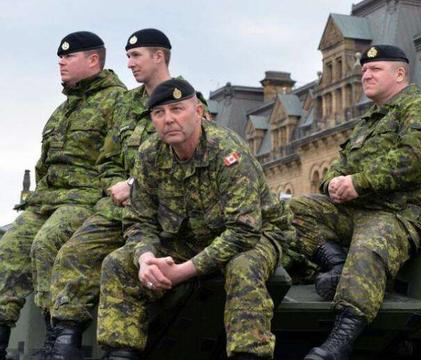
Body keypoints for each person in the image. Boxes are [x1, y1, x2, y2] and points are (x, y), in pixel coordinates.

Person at [95, 79, 294, 360]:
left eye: (177, 109)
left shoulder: (226, 151)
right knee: (117, 262)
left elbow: (243, 231)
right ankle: (120, 354)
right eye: (159, 113)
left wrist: (183, 271)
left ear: (198, 111)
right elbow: (139, 221)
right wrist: (146, 260)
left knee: (243, 267)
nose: (169, 119)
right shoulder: (150, 154)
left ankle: (249, 353)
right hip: (187, 238)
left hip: (257, 234)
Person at [46, 29, 211, 359]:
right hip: (119, 205)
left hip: (166, 208)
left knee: (118, 266)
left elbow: (196, 158)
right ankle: (63, 344)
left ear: (159, 57)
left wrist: (135, 185)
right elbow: (107, 158)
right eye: (127, 56)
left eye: (136, 56)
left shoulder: (187, 101)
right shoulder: (126, 104)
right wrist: (116, 186)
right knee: (73, 252)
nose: (129, 63)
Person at [288, 45, 421, 360]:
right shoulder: (369, 121)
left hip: (402, 214)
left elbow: (414, 160)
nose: (366, 75)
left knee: (370, 244)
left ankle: (341, 339)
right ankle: (336, 266)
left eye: (375, 69)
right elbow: (341, 164)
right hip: (358, 211)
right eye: (364, 70)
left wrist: (358, 183)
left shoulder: (420, 110)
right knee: (295, 211)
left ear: (400, 74)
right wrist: (332, 183)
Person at [0, 31, 125, 359]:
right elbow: (45, 165)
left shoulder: (118, 102)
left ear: (93, 60)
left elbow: (121, 158)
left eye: (69, 56)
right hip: (48, 198)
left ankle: (57, 339)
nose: (61, 61)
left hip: (85, 198)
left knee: (47, 243)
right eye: (60, 57)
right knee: (9, 249)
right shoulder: (63, 110)